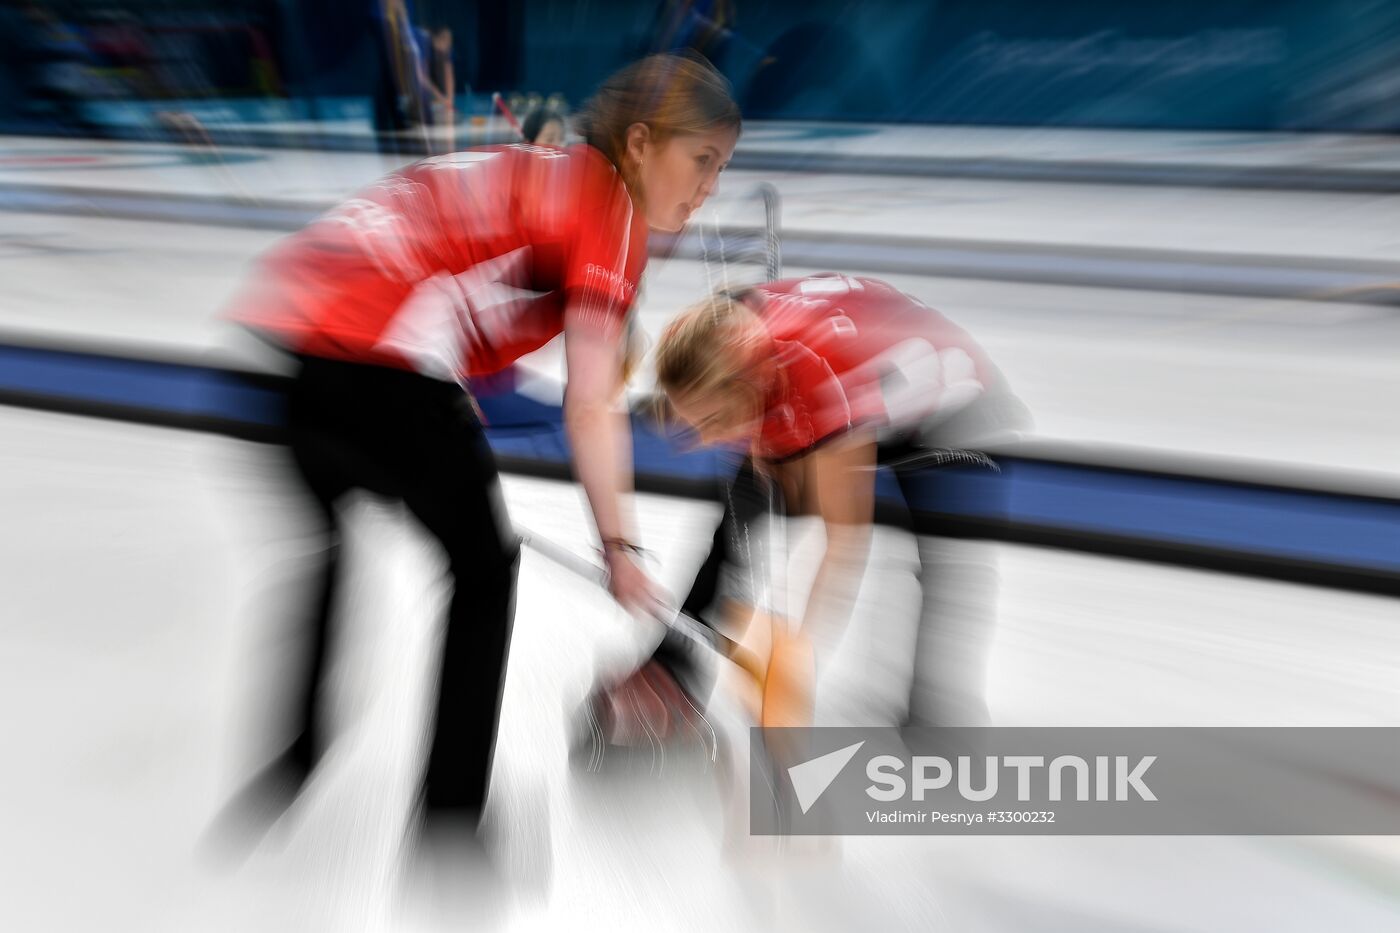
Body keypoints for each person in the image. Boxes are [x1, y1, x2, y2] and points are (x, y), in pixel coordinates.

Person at [215, 53, 740, 856]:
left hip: (275, 349)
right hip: (374, 364)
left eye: (721, 169)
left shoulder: (540, 172)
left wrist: (455, 411)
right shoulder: (611, 212)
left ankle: (297, 758)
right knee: (485, 571)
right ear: (639, 142)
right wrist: (621, 547)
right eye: (702, 160)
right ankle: (452, 821)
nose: (708, 187)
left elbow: (471, 321)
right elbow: (588, 405)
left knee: (331, 545)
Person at [649, 274, 1029, 733]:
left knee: (943, 565)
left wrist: (795, 660)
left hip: (958, 410)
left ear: (749, 390)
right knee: (736, 520)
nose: (703, 440)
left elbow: (844, 543)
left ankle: (933, 715)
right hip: (858, 374)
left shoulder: (816, 380)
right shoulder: (713, 335)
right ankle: (670, 669)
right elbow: (748, 470)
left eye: (710, 421)